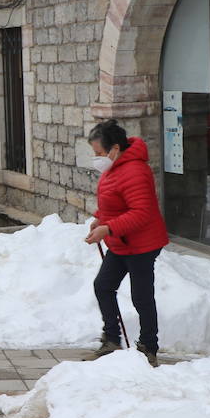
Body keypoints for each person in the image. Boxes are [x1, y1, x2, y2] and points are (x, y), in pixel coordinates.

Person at [84, 119, 170, 366]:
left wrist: (107, 228)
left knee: (141, 296)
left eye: (99, 153)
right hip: (122, 241)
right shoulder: (115, 168)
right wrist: (100, 219)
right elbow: (113, 202)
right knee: (103, 286)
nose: (97, 158)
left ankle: (148, 347)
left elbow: (141, 212)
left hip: (142, 244)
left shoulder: (135, 170)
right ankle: (112, 339)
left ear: (115, 149)